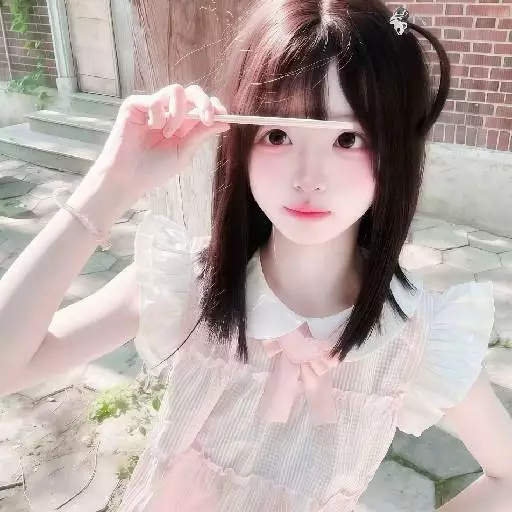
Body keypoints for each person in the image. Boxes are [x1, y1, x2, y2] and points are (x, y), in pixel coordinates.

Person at [0, 0, 498, 510]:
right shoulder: (190, 283)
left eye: (348, 138)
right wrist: (111, 183)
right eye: (278, 134)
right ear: (241, 141)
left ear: (395, 151)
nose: (309, 177)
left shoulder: (418, 334)